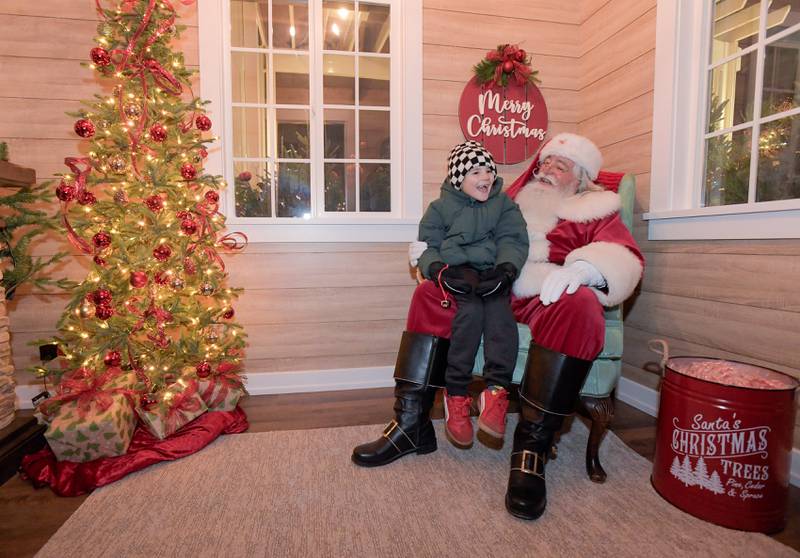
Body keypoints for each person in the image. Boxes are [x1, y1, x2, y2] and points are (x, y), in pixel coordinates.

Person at [352, 133, 644, 522]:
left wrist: (584, 271)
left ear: (582, 179)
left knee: (581, 305)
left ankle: (531, 449)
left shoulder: (596, 210)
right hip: (491, 286)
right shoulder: (509, 200)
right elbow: (460, 229)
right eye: (544, 162)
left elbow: (621, 255)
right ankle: (411, 425)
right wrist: (431, 258)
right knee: (429, 295)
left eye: (560, 166)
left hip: (549, 293)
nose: (546, 171)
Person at [416, 141, 528, 448]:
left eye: (489, 171)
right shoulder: (439, 208)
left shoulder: (504, 204)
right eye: (476, 172)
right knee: (470, 314)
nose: (486, 177)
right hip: (458, 274)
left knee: (500, 315)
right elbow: (427, 245)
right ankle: (456, 393)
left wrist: (506, 269)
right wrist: (439, 270)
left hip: (491, 274)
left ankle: (496, 392)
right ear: (458, 178)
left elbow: (512, 239)